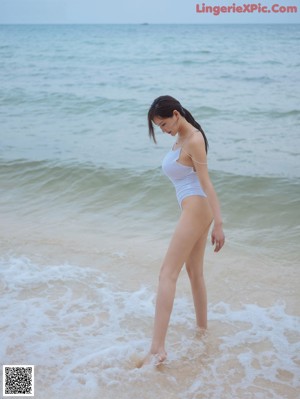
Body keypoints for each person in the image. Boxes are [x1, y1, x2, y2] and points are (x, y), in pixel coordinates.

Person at [141, 95, 225, 367]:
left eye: (164, 124)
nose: (163, 130)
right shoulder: (181, 136)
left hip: (197, 209)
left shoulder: (194, 140)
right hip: (194, 209)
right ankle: (203, 332)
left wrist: (219, 225)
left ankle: (157, 348)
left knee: (167, 273)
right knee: (193, 272)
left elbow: (207, 184)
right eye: (159, 126)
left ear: (176, 114)